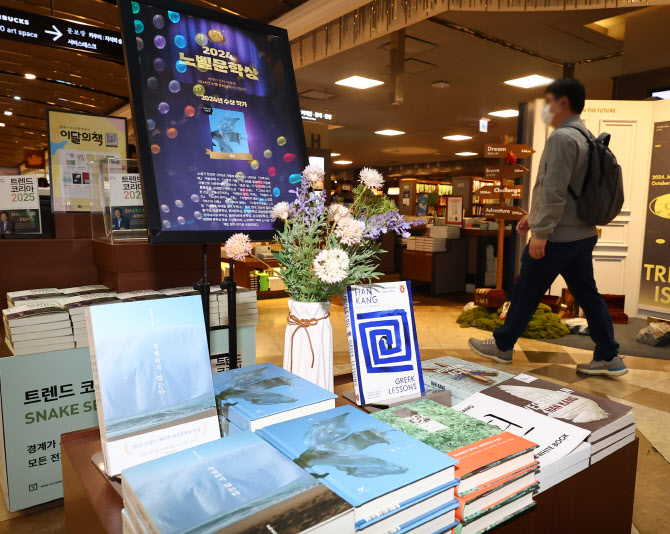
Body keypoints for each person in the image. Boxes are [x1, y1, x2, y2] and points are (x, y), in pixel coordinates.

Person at [468, 78, 627, 377]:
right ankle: (609, 356)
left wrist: (541, 232)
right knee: (589, 295)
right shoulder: (587, 136)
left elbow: (552, 189)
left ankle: (502, 346)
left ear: (563, 103)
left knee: (526, 290)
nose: (547, 109)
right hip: (582, 234)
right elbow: (566, 191)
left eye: (550, 102)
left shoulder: (562, 139)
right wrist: (534, 216)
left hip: (557, 238)